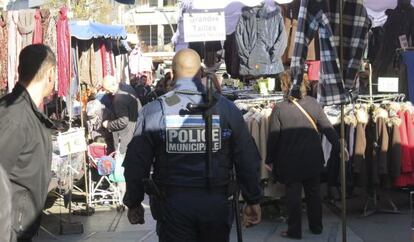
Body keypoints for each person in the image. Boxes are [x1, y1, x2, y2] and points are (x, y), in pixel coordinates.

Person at [123, 48, 263, 242]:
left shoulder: (155, 111)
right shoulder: (227, 109)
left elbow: (136, 163)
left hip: (172, 207)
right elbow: (246, 157)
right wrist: (253, 199)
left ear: (171, 74)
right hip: (216, 205)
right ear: (201, 73)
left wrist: (134, 202)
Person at [265, 71, 342, 239]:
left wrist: (269, 159)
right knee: (314, 193)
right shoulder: (314, 104)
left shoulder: (279, 109)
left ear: (285, 86)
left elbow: (273, 137)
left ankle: (294, 230)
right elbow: (328, 128)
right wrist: (340, 147)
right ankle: (317, 227)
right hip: (313, 159)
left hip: (290, 161)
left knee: (293, 195)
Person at [0, 44, 56, 242]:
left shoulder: (25, 113)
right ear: (50, 73)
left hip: (20, 227)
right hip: (10, 231)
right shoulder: (15, 116)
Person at [102, 75, 142, 207]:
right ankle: (130, 197)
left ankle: (123, 200)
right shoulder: (128, 88)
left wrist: (108, 124)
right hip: (134, 134)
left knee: (121, 173)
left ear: (113, 85)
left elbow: (123, 121)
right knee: (130, 170)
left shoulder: (118, 99)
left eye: (108, 90)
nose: (108, 93)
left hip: (124, 138)